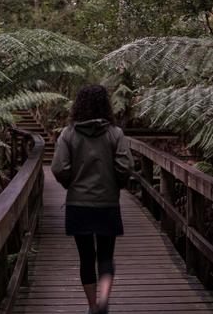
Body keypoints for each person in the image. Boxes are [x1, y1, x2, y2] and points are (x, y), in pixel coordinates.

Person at [51, 84, 133, 314]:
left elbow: (58, 167)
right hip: (107, 203)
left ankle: (92, 306)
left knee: (86, 257)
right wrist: (117, 183)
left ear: (79, 105)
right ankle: (105, 299)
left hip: (78, 204)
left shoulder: (68, 134)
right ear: (105, 105)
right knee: (106, 256)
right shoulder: (115, 134)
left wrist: (70, 183)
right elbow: (125, 166)